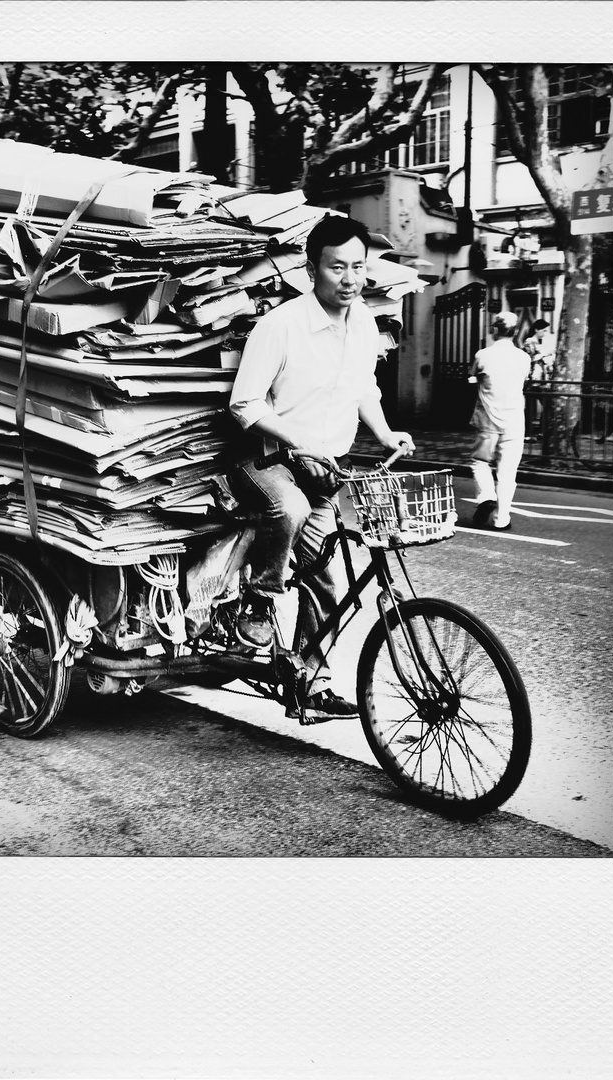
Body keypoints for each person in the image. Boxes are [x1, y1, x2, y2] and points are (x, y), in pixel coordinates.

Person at [228, 215, 413, 720]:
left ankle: (311, 681)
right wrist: (302, 442)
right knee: (287, 509)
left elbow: (364, 391)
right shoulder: (280, 326)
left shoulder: (366, 324)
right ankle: (259, 604)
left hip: (326, 471)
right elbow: (245, 405)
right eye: (338, 267)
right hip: (267, 461)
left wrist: (384, 433)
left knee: (325, 582)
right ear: (311, 270)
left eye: (358, 266)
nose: (350, 278)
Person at [468, 310, 531, 531]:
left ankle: (486, 496)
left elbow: (472, 377)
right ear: (514, 333)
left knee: (480, 462)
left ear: (495, 329)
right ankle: (501, 518)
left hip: (487, 419)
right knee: (508, 471)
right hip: (515, 419)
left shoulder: (482, 355)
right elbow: (523, 381)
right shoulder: (524, 358)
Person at [522, 318, 557, 440]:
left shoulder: (541, 343)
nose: (545, 333)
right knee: (531, 408)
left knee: (547, 405)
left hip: (542, 378)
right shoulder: (529, 342)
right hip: (533, 377)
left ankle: (540, 432)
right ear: (536, 329)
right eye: (543, 330)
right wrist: (545, 354)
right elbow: (531, 358)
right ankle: (528, 433)